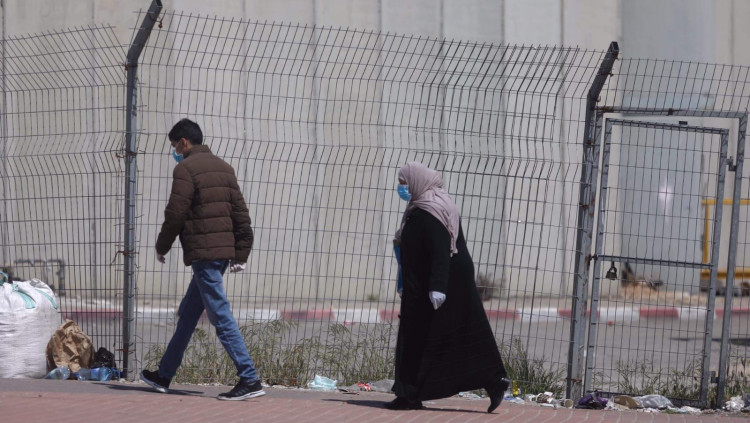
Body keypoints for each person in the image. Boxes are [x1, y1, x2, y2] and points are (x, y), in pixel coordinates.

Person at [140, 118, 264, 401]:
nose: (175, 152)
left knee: (220, 315)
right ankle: (164, 375)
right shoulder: (225, 168)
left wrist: (162, 245)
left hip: (205, 254)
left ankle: (250, 378)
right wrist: (241, 252)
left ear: (184, 142)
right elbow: (241, 214)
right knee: (188, 314)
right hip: (221, 253)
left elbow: (176, 213)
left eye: (175, 146)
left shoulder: (185, 169)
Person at [387, 162, 510, 413]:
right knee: (426, 336)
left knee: (444, 334)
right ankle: (410, 394)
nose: (401, 188)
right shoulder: (419, 207)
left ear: (417, 181)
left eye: (404, 183)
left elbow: (440, 249)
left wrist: (437, 286)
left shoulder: (433, 210)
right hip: (424, 283)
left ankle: (493, 379)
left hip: (444, 283)